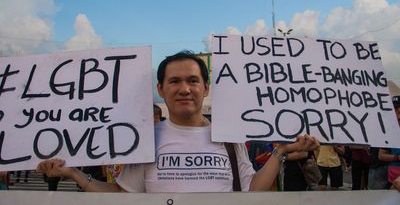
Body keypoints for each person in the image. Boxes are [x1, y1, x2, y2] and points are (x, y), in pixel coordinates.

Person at [37, 50, 319, 193]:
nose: (184, 89)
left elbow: (251, 190)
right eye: (174, 81)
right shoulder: (146, 138)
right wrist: (74, 173)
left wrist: (281, 152)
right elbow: (121, 194)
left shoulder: (230, 138)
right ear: (160, 89)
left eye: (193, 80)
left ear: (205, 88)